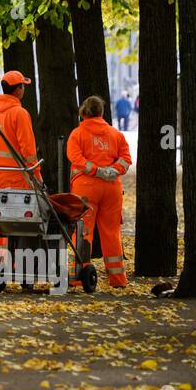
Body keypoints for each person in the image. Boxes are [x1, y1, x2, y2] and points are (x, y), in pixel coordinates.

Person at [0, 71, 41, 278]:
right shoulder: (20, 114)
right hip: (19, 177)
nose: (24, 89)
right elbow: (28, 151)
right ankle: (24, 269)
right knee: (24, 223)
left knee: (0, 221)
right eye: (23, 86)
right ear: (19, 90)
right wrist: (36, 175)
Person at [67, 95, 131, 288]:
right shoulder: (115, 134)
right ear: (102, 112)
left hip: (86, 188)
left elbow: (74, 157)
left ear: (83, 113)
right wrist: (112, 171)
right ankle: (118, 279)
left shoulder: (77, 134)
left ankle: (79, 276)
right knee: (111, 233)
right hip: (112, 188)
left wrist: (95, 170)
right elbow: (126, 158)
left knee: (83, 232)